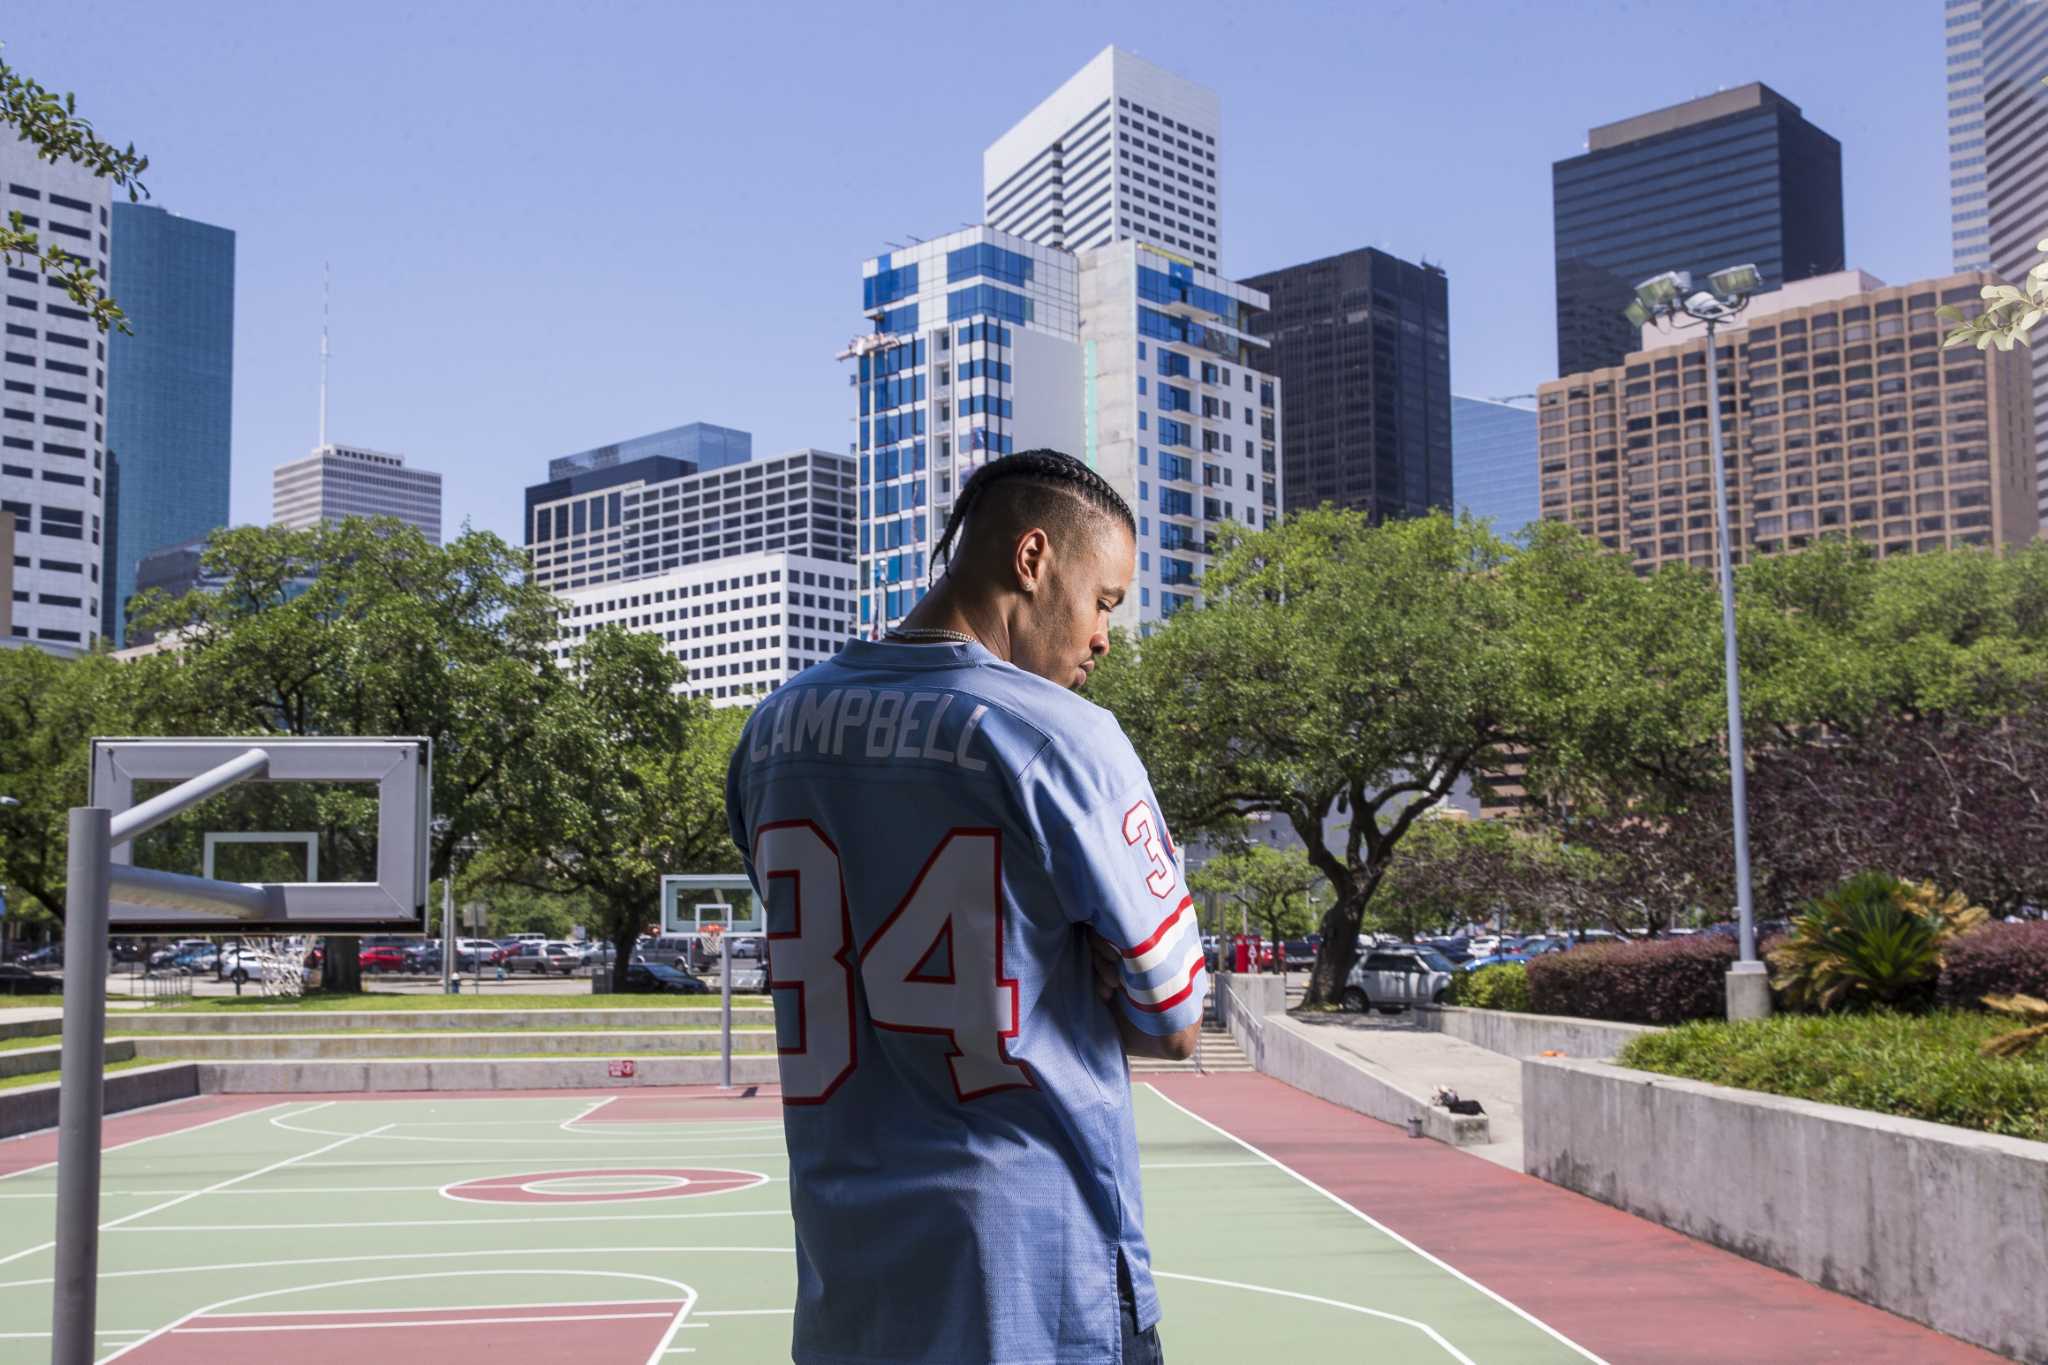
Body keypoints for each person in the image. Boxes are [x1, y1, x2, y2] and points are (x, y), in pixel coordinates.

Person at [727, 449, 1205, 1365]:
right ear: (1033, 559)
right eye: (1104, 602)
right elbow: (1175, 1016)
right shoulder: (1066, 738)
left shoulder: (772, 729)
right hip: (1032, 1278)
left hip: (848, 1286)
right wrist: (1085, 966)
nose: (1106, 636)